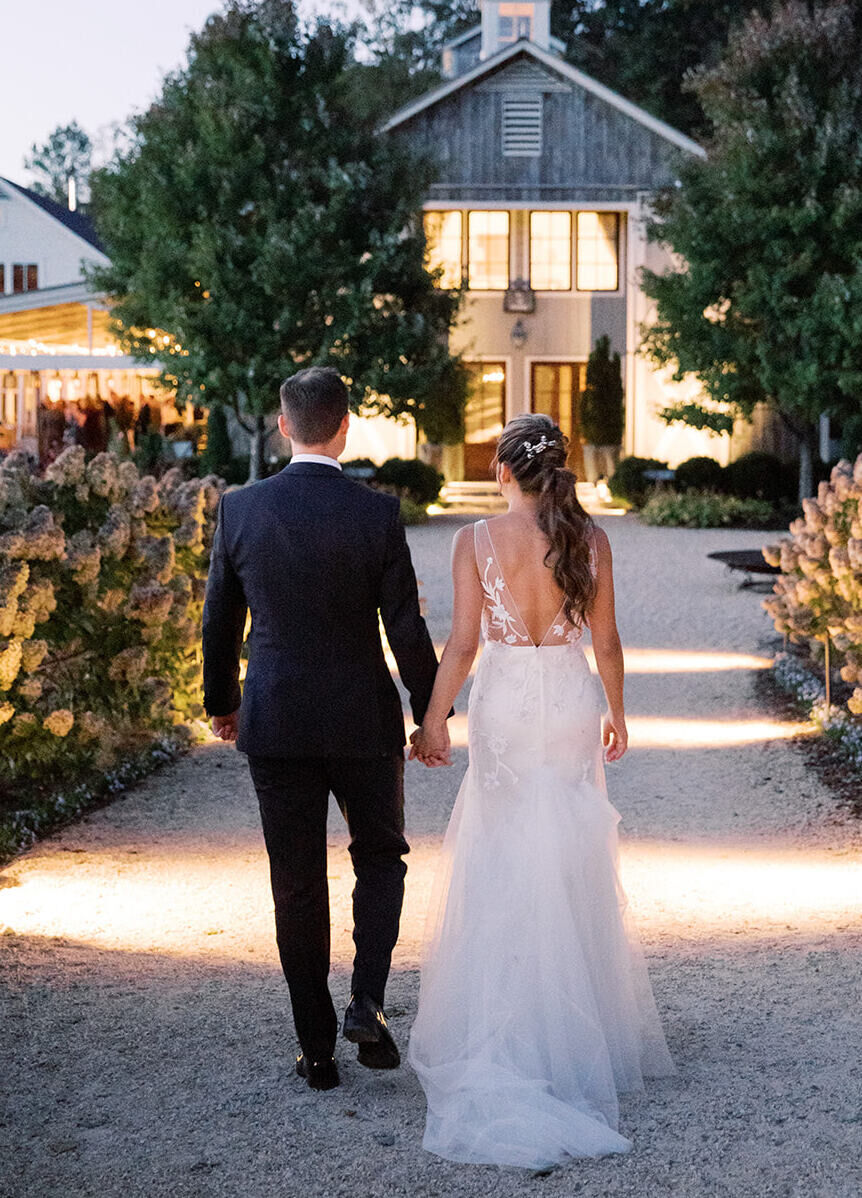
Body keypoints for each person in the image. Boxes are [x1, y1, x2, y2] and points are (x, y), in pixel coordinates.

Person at [408, 413, 675, 1167]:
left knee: (502, 848)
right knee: (568, 848)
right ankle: (574, 1025)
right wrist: (618, 714)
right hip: (566, 699)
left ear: (502, 470)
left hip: (505, 703)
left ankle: (510, 1022)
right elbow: (608, 640)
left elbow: (461, 644)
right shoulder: (589, 539)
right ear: (560, 467)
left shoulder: (474, 542)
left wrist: (433, 722)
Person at [201, 366, 440, 1092]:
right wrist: (431, 713)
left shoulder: (241, 510)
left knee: (296, 884)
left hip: (275, 719)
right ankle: (367, 1000)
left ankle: (316, 1050)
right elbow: (405, 623)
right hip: (363, 718)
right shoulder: (376, 514)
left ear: (284, 426)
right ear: (345, 425)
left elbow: (219, 621)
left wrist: (223, 700)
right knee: (381, 856)